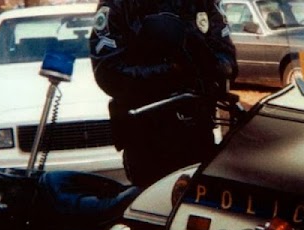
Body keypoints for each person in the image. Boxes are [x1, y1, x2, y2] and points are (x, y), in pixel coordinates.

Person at [88, 0, 238, 186]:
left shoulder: (202, 3)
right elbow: (108, 72)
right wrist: (173, 72)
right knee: (149, 205)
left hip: (197, 133)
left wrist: (209, 64)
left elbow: (227, 59)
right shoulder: (120, 4)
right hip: (147, 138)